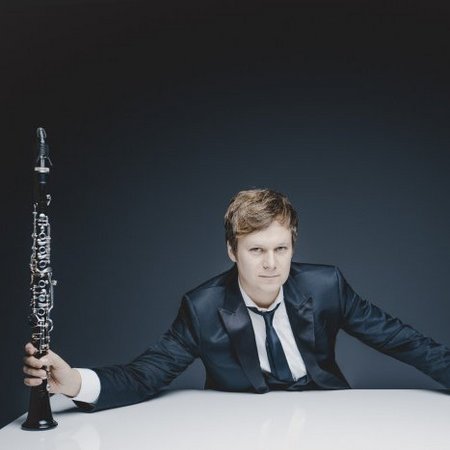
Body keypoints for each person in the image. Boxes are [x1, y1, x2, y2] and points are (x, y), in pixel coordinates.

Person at [23, 189, 450, 411]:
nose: (271, 264)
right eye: (256, 250)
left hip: (327, 415)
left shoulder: (326, 286)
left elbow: (402, 340)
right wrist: (73, 382)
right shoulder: (202, 307)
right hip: (238, 426)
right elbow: (144, 376)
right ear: (232, 250)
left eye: (281, 249)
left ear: (293, 247)